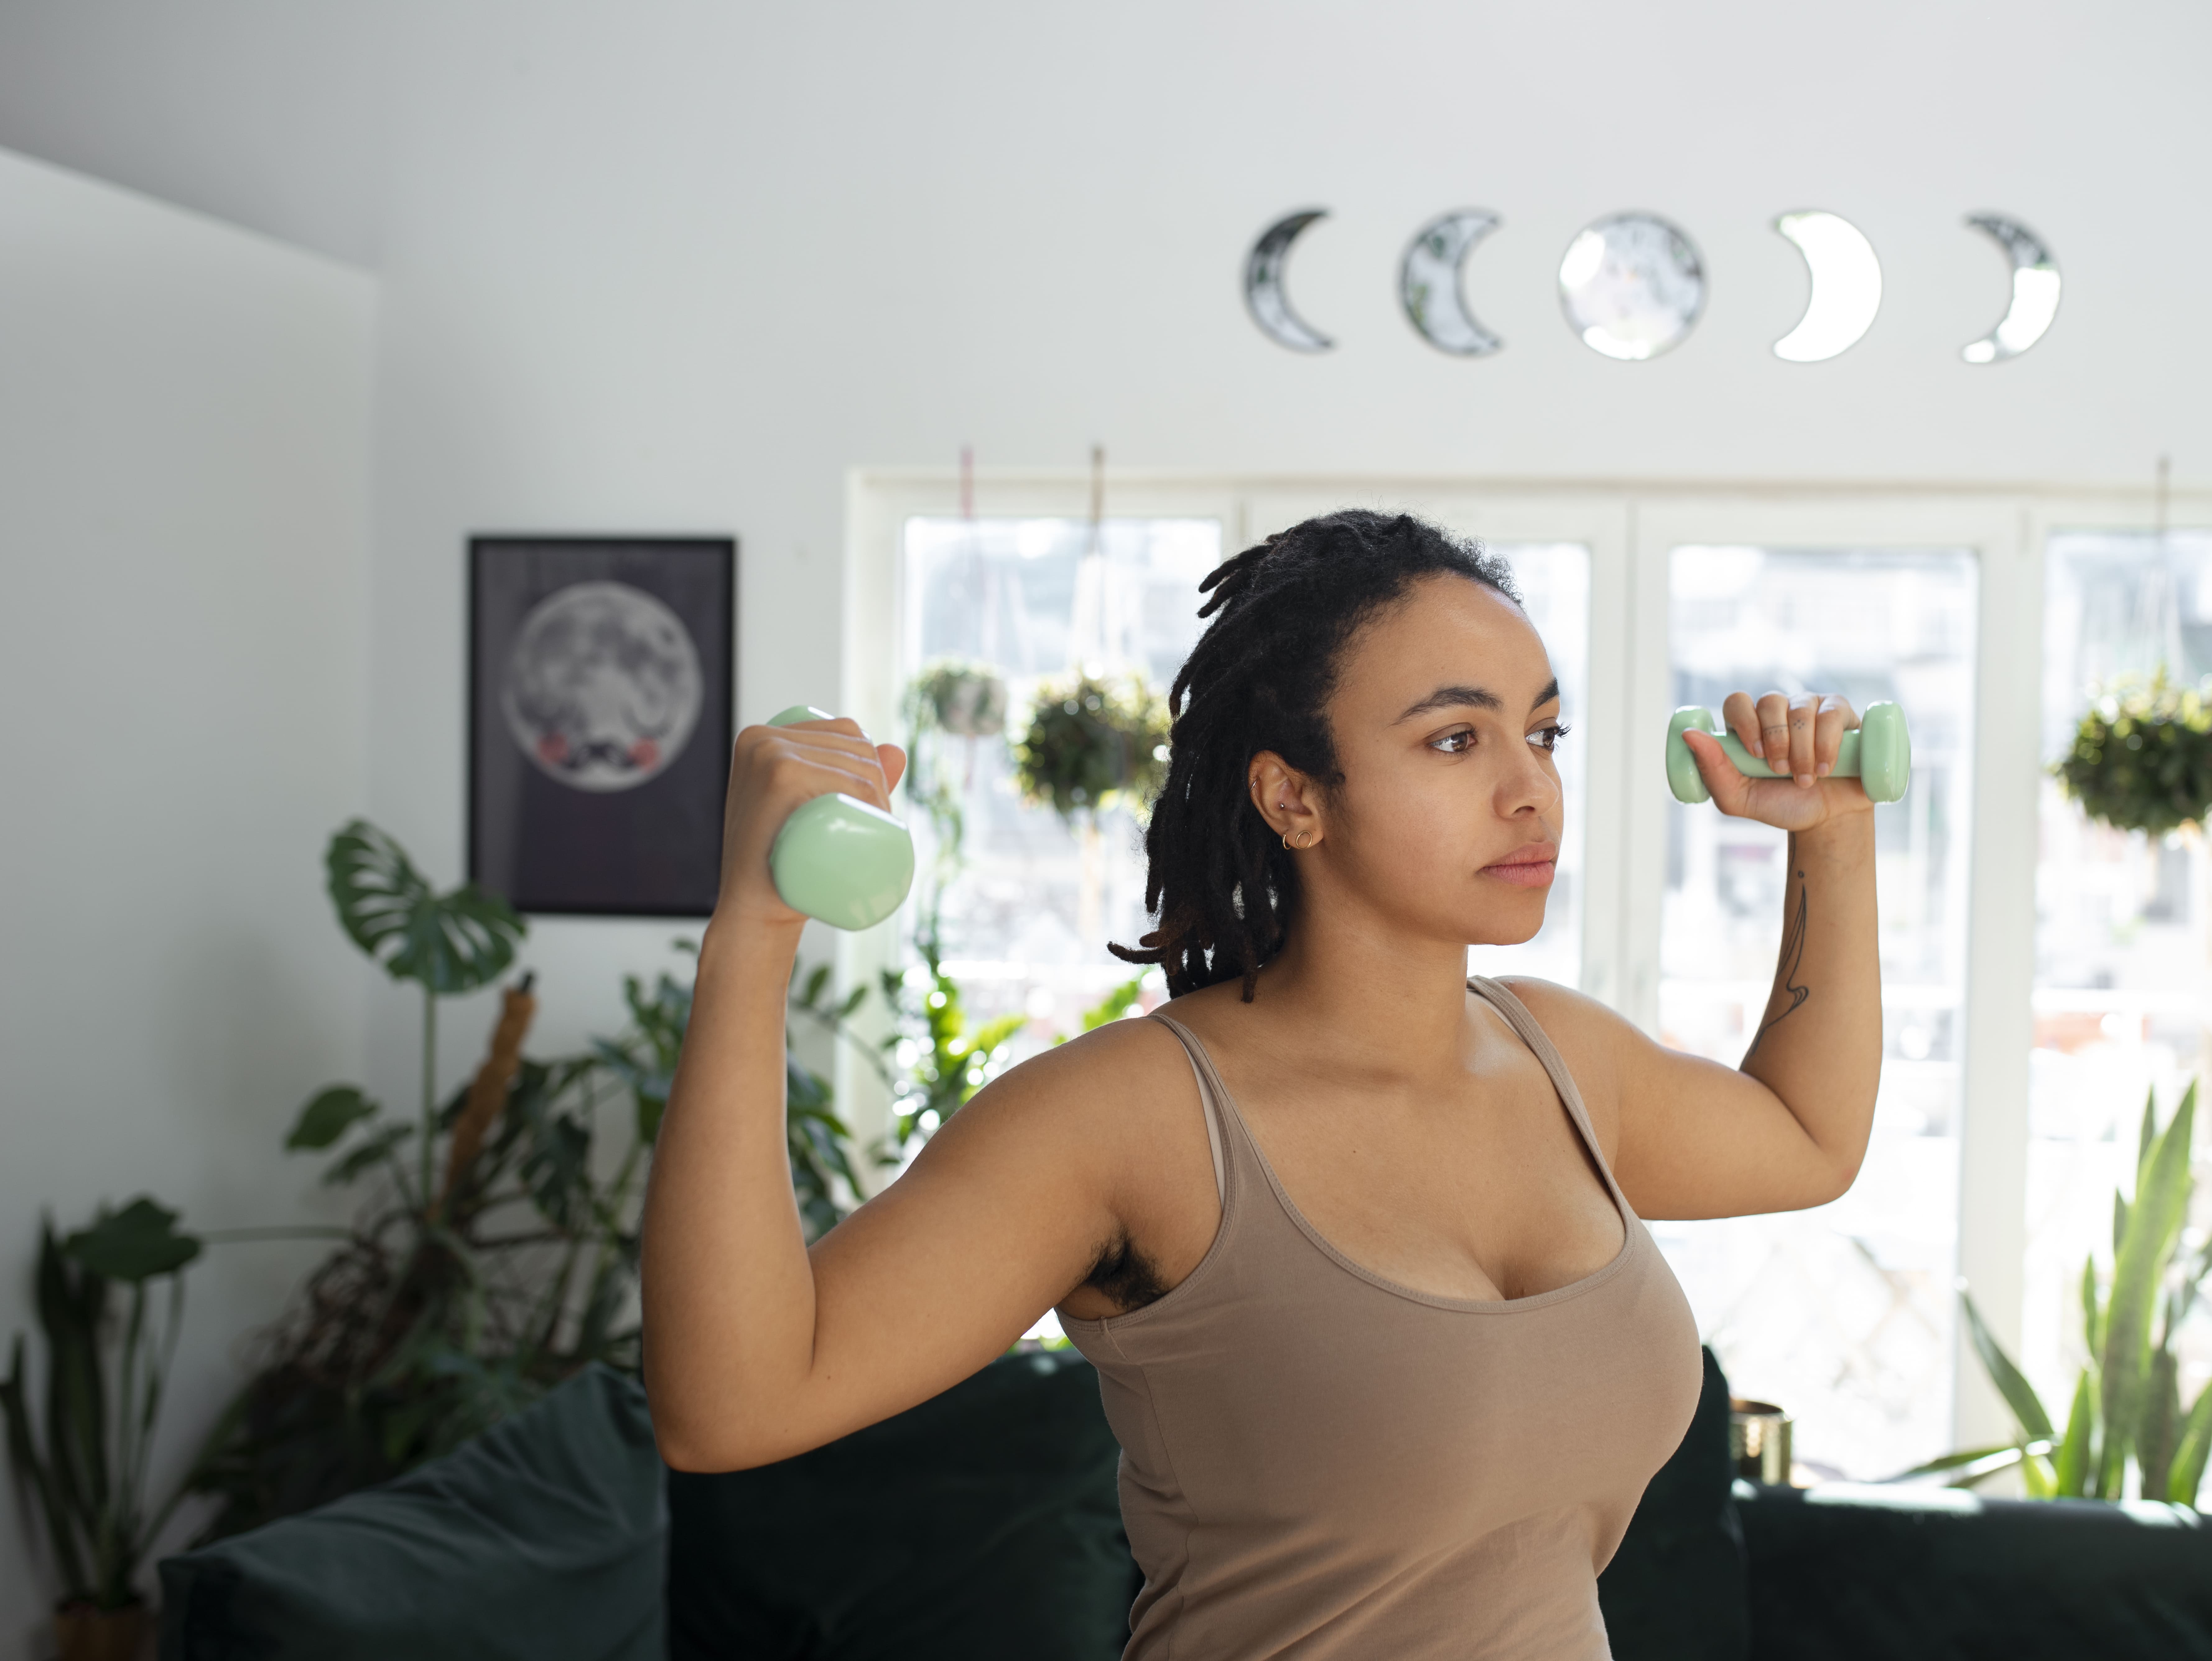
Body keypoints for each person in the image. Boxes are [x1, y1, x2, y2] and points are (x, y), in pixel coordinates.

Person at [642, 509, 1883, 1659]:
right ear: (1294, 795)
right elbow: (733, 1408)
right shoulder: (1129, 1120)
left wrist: (1829, 834)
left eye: (1540, 732)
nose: (1528, 788)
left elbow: (1803, 1138)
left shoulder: (1566, 1059)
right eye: (1455, 739)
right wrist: (752, 932)